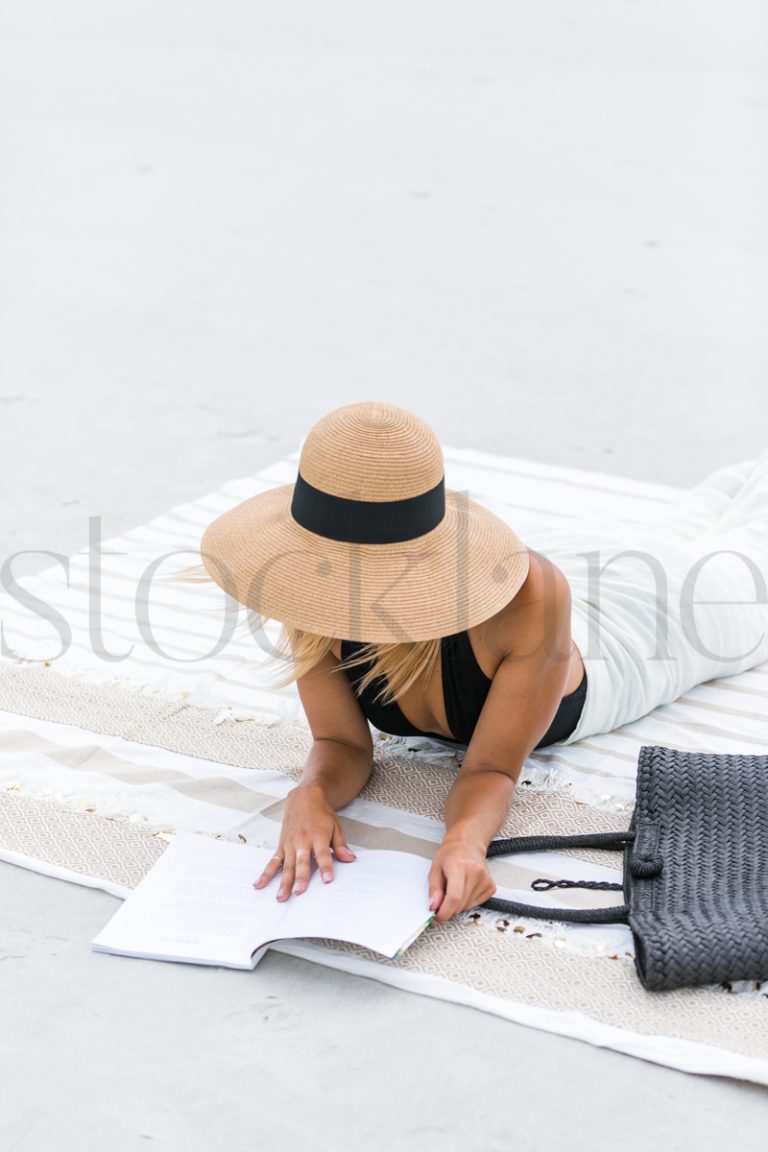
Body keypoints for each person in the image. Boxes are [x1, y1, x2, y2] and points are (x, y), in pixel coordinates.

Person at [198, 400, 768, 923]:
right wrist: (310, 795)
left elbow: (491, 769)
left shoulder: (531, 597)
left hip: (657, 621)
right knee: (704, 509)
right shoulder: (312, 582)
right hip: (579, 566)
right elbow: (341, 745)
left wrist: (465, 840)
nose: (343, 584)